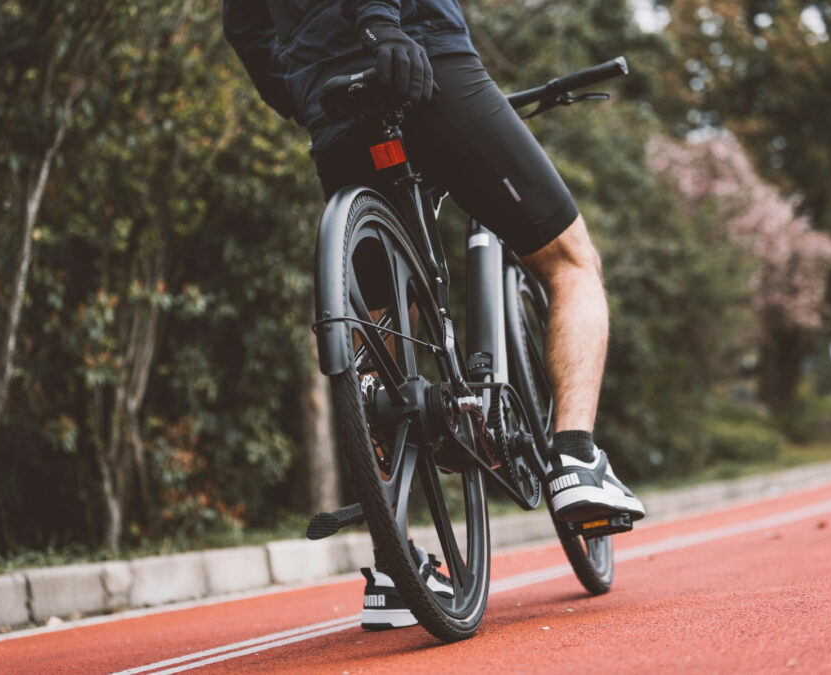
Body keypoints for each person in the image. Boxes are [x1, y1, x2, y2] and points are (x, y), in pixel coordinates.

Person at [222, 0, 645, 629]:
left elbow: (244, 22)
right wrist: (379, 23)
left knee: (385, 315)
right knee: (571, 261)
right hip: (420, 59)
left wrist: (300, 92)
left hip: (330, 100)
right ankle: (577, 459)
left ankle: (393, 560)